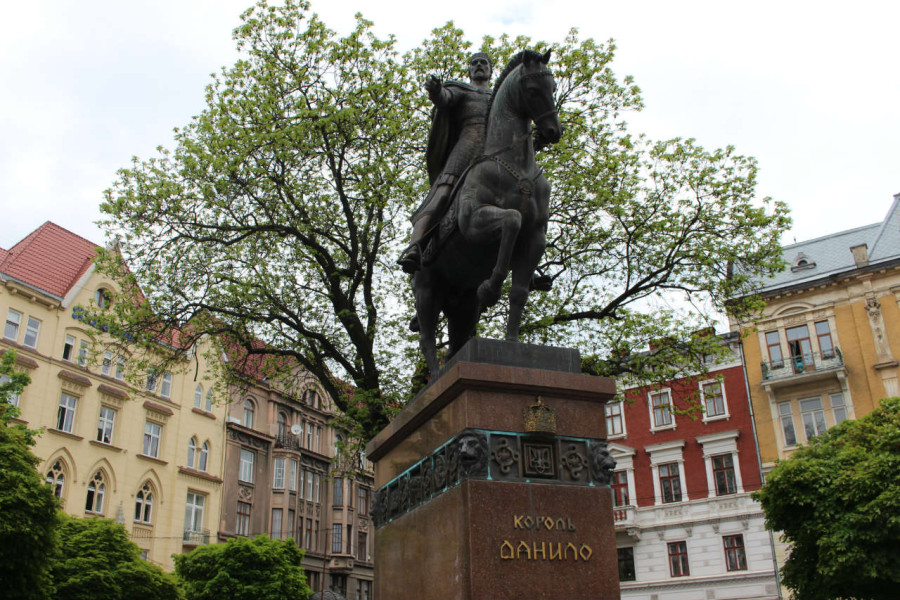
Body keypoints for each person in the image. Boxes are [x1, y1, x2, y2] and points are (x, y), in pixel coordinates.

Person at [398, 52, 493, 274]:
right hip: (466, 147)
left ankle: (527, 265)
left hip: (493, 152)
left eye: (484, 63)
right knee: (442, 193)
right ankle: (415, 246)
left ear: (491, 69)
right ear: (469, 70)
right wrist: (436, 90)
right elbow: (445, 99)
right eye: (474, 63)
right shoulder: (462, 90)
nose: (479, 66)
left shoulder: (501, 95)